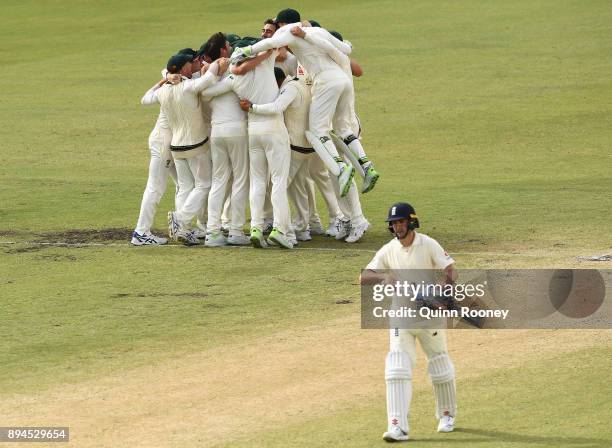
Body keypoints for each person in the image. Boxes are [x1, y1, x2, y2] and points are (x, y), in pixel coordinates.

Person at [231, 8, 357, 197]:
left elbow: (354, 65)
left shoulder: (294, 59)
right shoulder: (292, 53)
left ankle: (343, 215)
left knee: (309, 179)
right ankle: (318, 219)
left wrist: (250, 52)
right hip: (303, 131)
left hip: (308, 130)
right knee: (307, 181)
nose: (267, 33)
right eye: (264, 31)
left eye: (272, 29)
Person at [361, 202, 457, 442]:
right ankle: (397, 426)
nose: (397, 227)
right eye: (394, 223)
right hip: (400, 318)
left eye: (401, 222)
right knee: (396, 368)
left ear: (411, 222)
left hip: (428, 317)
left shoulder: (428, 244)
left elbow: (451, 269)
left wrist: (444, 291)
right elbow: (363, 276)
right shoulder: (388, 250)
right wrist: (385, 276)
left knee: (439, 365)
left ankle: (446, 415)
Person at [143, 53, 227, 245]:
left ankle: (184, 230)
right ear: (182, 69)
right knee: (204, 185)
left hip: (176, 147)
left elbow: (145, 99)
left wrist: (164, 79)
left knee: (186, 187)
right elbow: (210, 78)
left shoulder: (162, 92)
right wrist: (216, 64)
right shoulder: (189, 87)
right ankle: (181, 219)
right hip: (196, 145)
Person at [200, 32, 250, 247]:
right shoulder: (234, 72)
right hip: (236, 130)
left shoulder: (211, 73)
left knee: (220, 180)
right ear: (222, 50)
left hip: (218, 132)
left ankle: (212, 231)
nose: (229, 48)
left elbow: (205, 92)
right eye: (227, 45)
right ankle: (236, 231)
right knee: (240, 180)